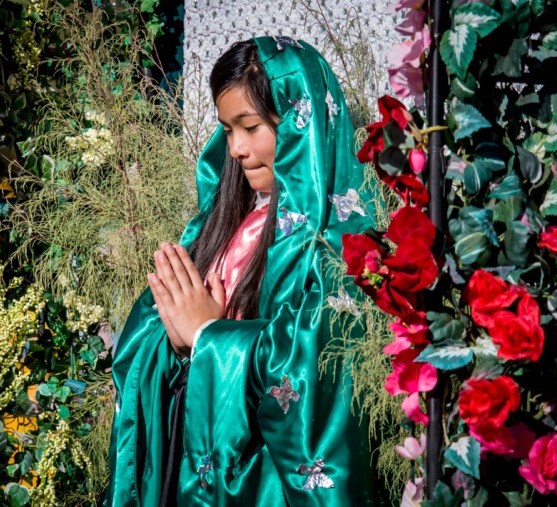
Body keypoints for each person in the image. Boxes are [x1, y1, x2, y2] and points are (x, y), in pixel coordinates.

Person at [108, 36, 381, 506]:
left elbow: (317, 369)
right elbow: (151, 340)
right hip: (191, 460)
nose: (235, 148)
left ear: (302, 123)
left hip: (264, 482)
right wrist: (172, 338)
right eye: (227, 130)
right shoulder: (221, 225)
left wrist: (209, 336)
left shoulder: (341, 245)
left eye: (251, 127)